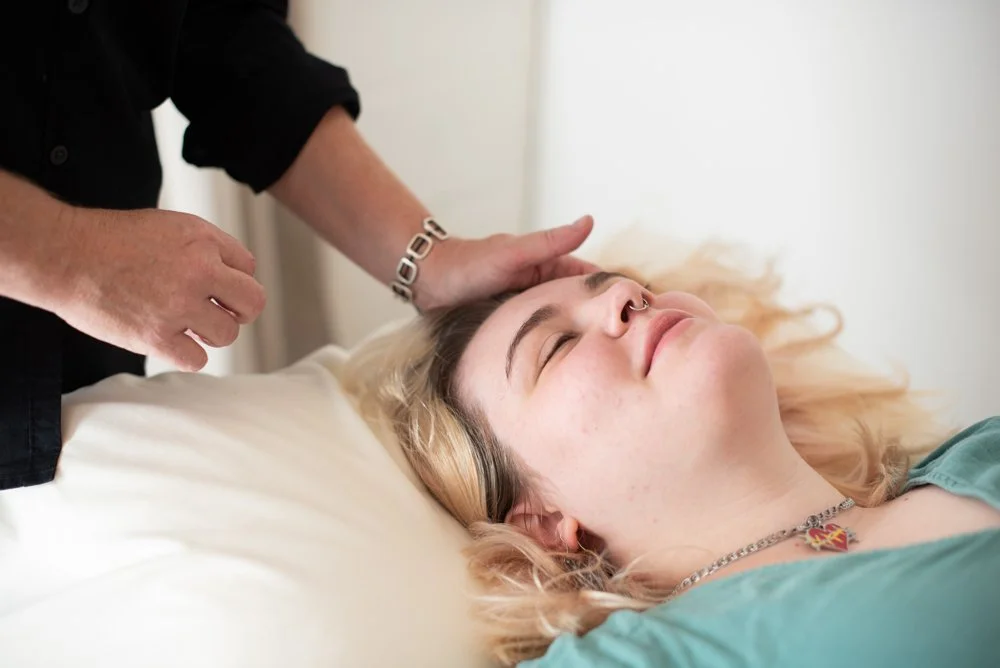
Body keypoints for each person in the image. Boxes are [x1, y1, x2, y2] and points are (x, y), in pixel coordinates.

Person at [0, 1, 595, 491]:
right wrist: (72, 258)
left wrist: (431, 262)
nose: (628, 310)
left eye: (639, 298)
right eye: (556, 347)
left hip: (89, 390)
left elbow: (224, 40)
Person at [344, 245, 1000, 667]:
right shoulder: (646, 658)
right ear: (543, 521)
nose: (622, 297)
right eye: (556, 347)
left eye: (632, 285)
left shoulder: (981, 453)